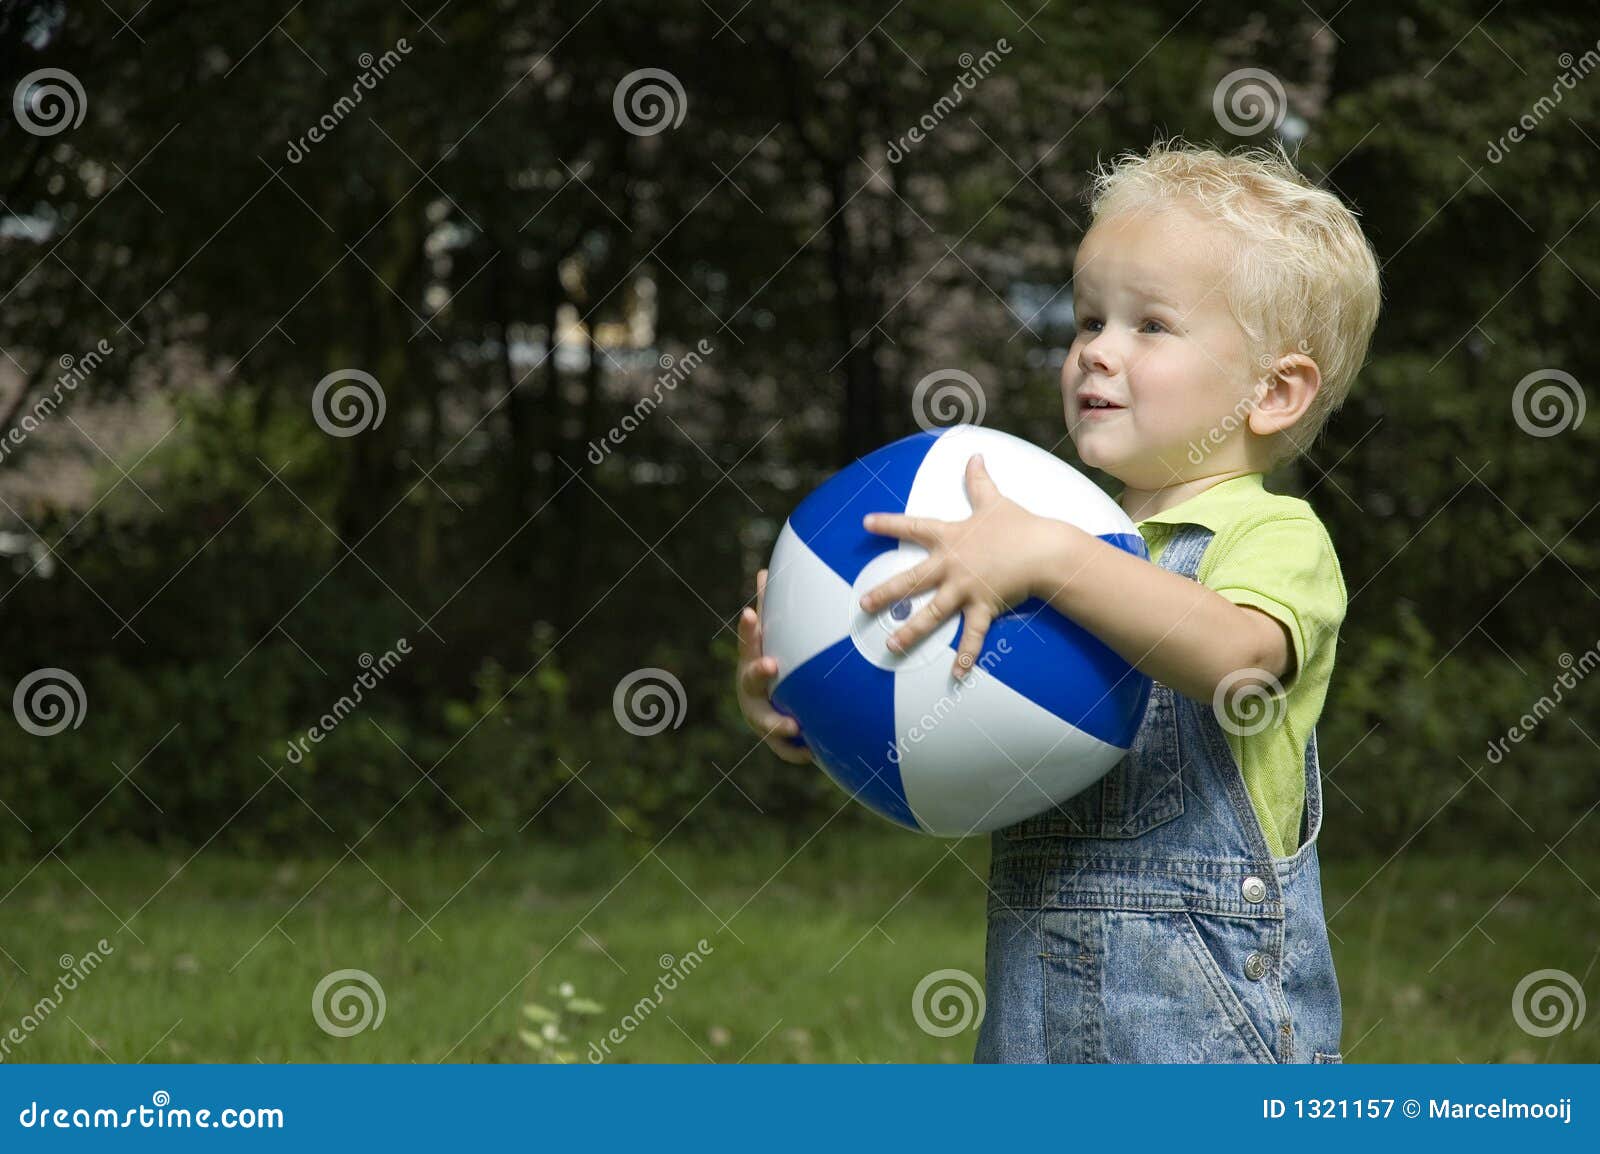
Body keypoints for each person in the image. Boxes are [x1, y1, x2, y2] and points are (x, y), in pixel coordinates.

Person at [735, 137, 1382, 1063]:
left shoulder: (1271, 538)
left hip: (1209, 1043)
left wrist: (1049, 556)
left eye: (1150, 326)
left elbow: (1234, 657)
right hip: (1033, 1033)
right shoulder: (1035, 530)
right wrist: (804, 690)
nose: (1095, 354)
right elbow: (928, 709)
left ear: (1273, 392)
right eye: (1087, 321)